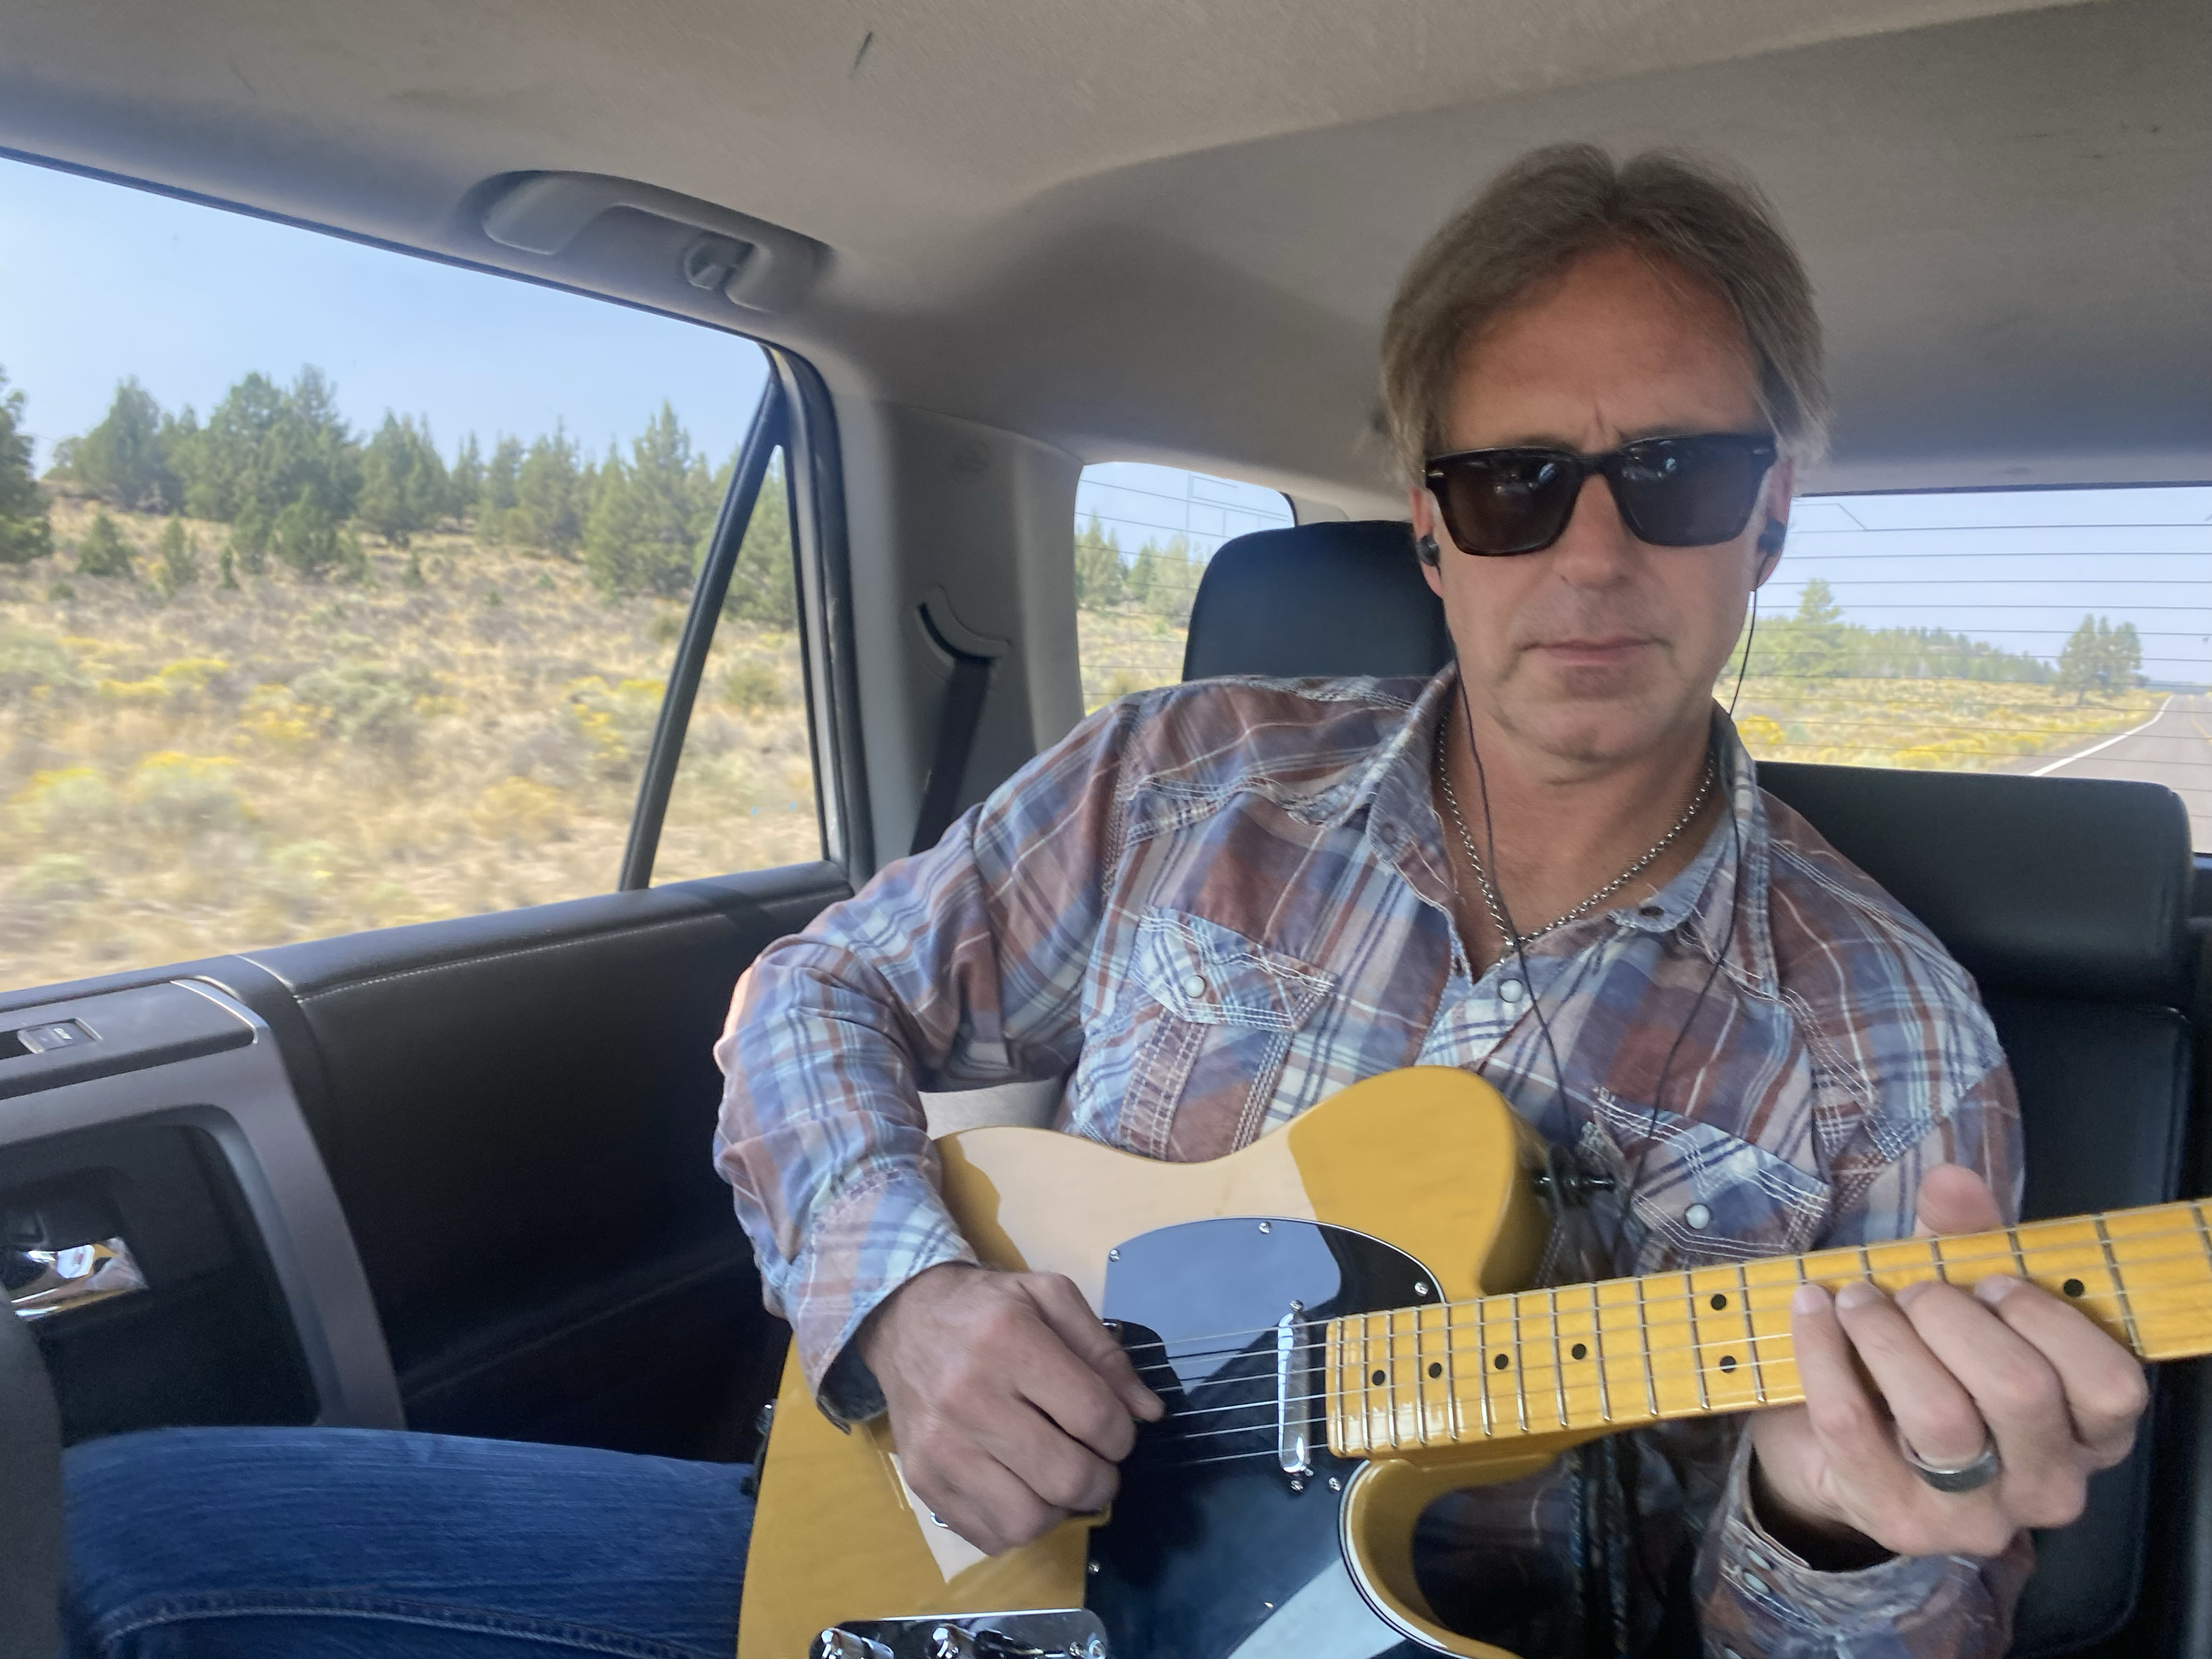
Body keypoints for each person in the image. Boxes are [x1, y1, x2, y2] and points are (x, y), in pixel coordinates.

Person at [60, 145, 2147, 1659]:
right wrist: (902, 1300)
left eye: (1671, 476)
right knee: (109, 1526)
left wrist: (1840, 1528)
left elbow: (1871, 1632)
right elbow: (811, 994)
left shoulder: (1882, 1030)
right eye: (1514, 484)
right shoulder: (1185, 775)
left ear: (1768, 516)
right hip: (926, 1551)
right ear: (1429, 532)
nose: (1588, 559)